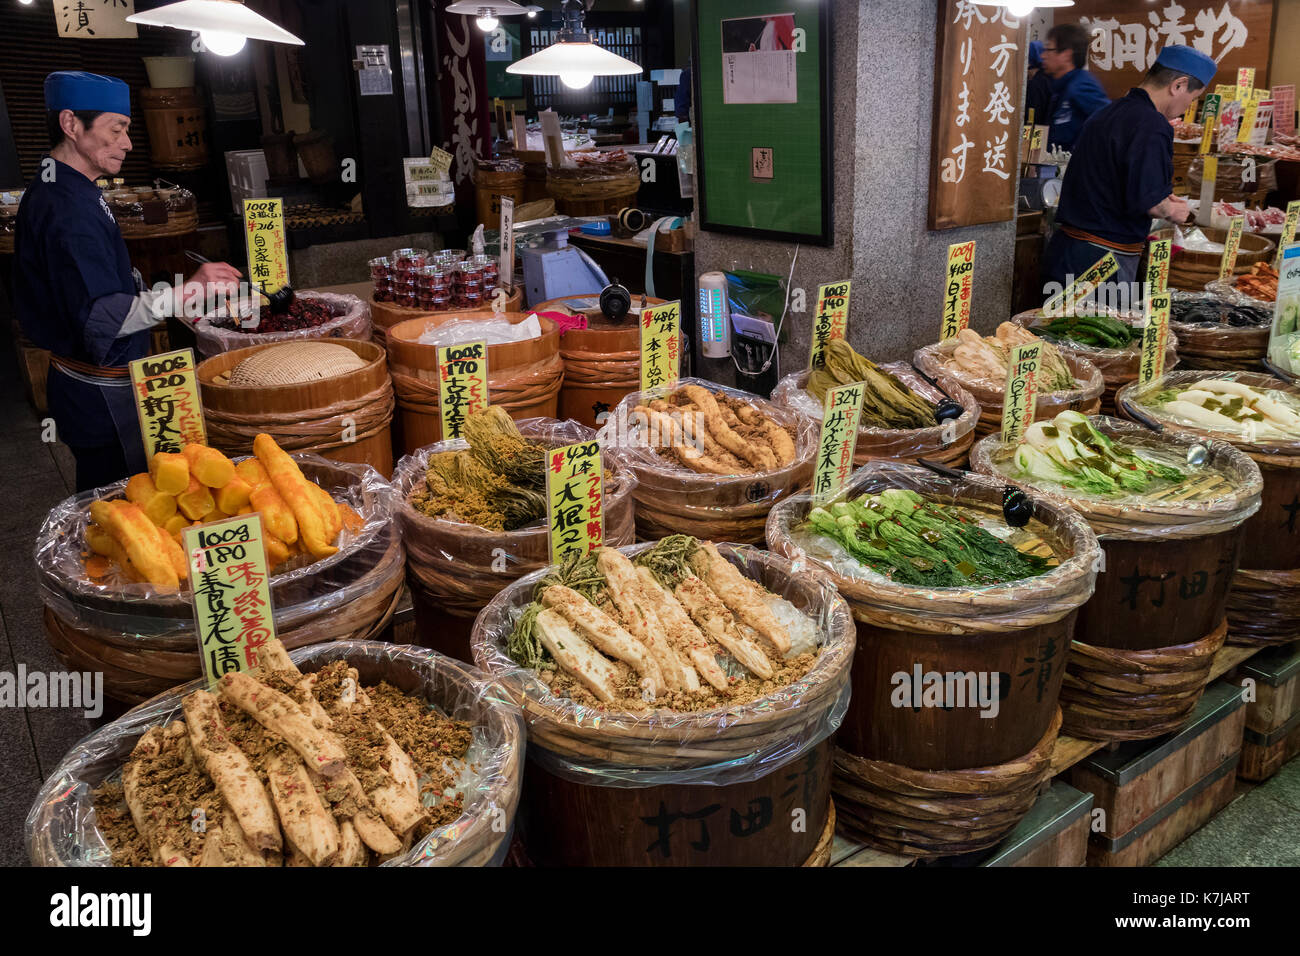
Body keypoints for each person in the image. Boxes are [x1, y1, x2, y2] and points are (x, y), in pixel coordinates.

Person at [13, 71, 242, 491]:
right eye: (116, 129)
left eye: (127, 130)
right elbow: (105, 317)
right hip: (102, 395)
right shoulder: (67, 208)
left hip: (98, 383)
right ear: (70, 124)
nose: (128, 143)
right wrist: (192, 290)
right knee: (124, 507)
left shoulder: (71, 187)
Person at [1043, 46, 1217, 292]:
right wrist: (1175, 211)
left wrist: (1160, 195)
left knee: (1058, 327)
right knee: (1093, 329)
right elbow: (1153, 203)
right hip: (1103, 261)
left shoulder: (1108, 112)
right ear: (1178, 85)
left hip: (1068, 250)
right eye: (1194, 97)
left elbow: (1118, 180)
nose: (1189, 105)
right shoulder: (1152, 124)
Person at [1041, 24, 1110, 152]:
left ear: (1066, 55)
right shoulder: (1059, 87)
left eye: (1048, 49)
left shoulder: (1081, 86)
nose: (1043, 56)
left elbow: (1110, 123)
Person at [1024, 40, 1052, 126]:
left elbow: (1032, 117)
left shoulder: (1035, 84)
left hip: (1038, 132)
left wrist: (1027, 138)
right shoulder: (1047, 78)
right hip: (1044, 130)